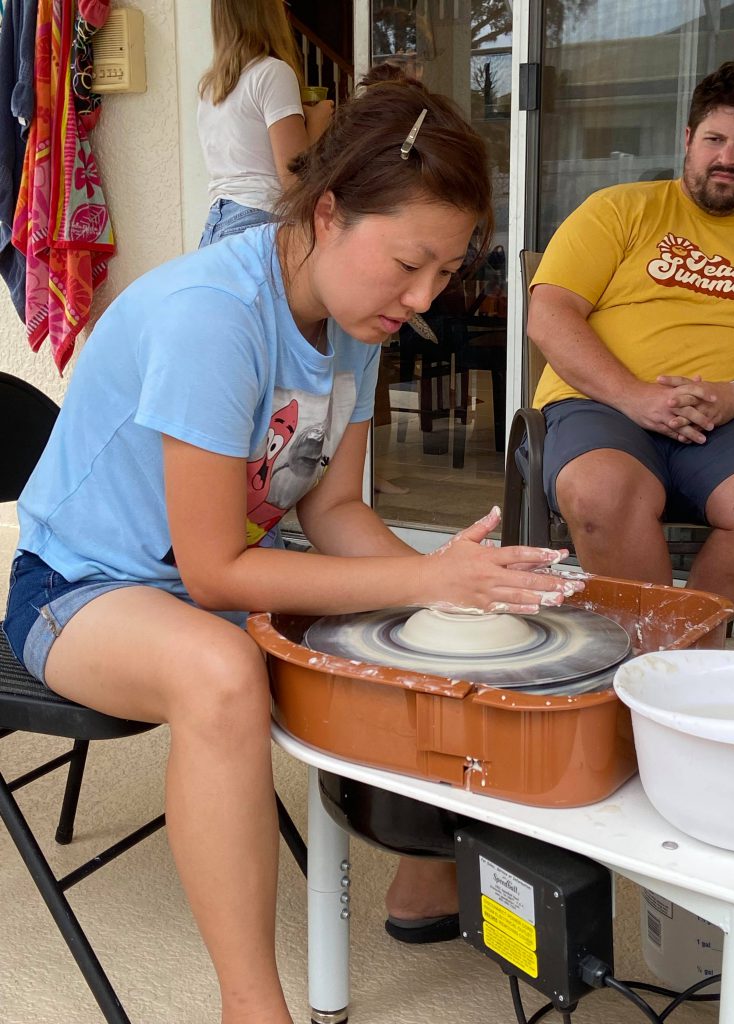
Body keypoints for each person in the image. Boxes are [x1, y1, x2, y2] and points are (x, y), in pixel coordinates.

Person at [3, 65, 581, 1024]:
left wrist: (439, 589)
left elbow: (335, 513)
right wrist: (425, 573)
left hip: (190, 586)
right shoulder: (214, 317)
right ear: (327, 213)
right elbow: (214, 570)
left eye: (445, 270)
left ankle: (421, 873)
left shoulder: (355, 318)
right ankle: (251, 1005)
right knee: (225, 671)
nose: (425, 296)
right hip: (77, 589)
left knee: (400, 623)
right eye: (408, 263)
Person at [527, 60, 734, 618]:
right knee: (600, 491)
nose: (726, 157)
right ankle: (657, 661)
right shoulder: (620, 209)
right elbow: (550, 314)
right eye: (714, 138)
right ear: (688, 139)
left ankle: (678, 653)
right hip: (603, 407)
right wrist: (635, 395)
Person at [197, 0, 334, 247]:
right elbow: (294, 181)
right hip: (259, 221)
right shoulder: (273, 73)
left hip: (217, 225)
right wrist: (318, 123)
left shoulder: (210, 87)